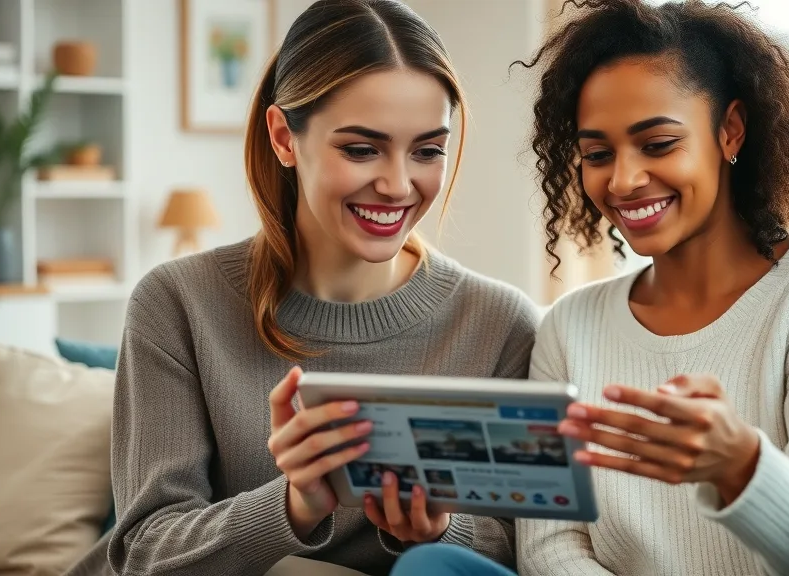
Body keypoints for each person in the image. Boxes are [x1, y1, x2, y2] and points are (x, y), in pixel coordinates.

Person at [389, 0, 789, 575]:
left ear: (729, 131)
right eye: (597, 154)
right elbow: (550, 548)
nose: (624, 180)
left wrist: (740, 462)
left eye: (658, 143)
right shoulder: (572, 327)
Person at [64, 2, 538, 575]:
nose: (397, 184)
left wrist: (441, 529)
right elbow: (144, 551)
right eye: (361, 149)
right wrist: (292, 505)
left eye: (427, 150)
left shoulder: (500, 325)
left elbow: (530, 545)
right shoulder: (178, 303)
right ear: (285, 138)